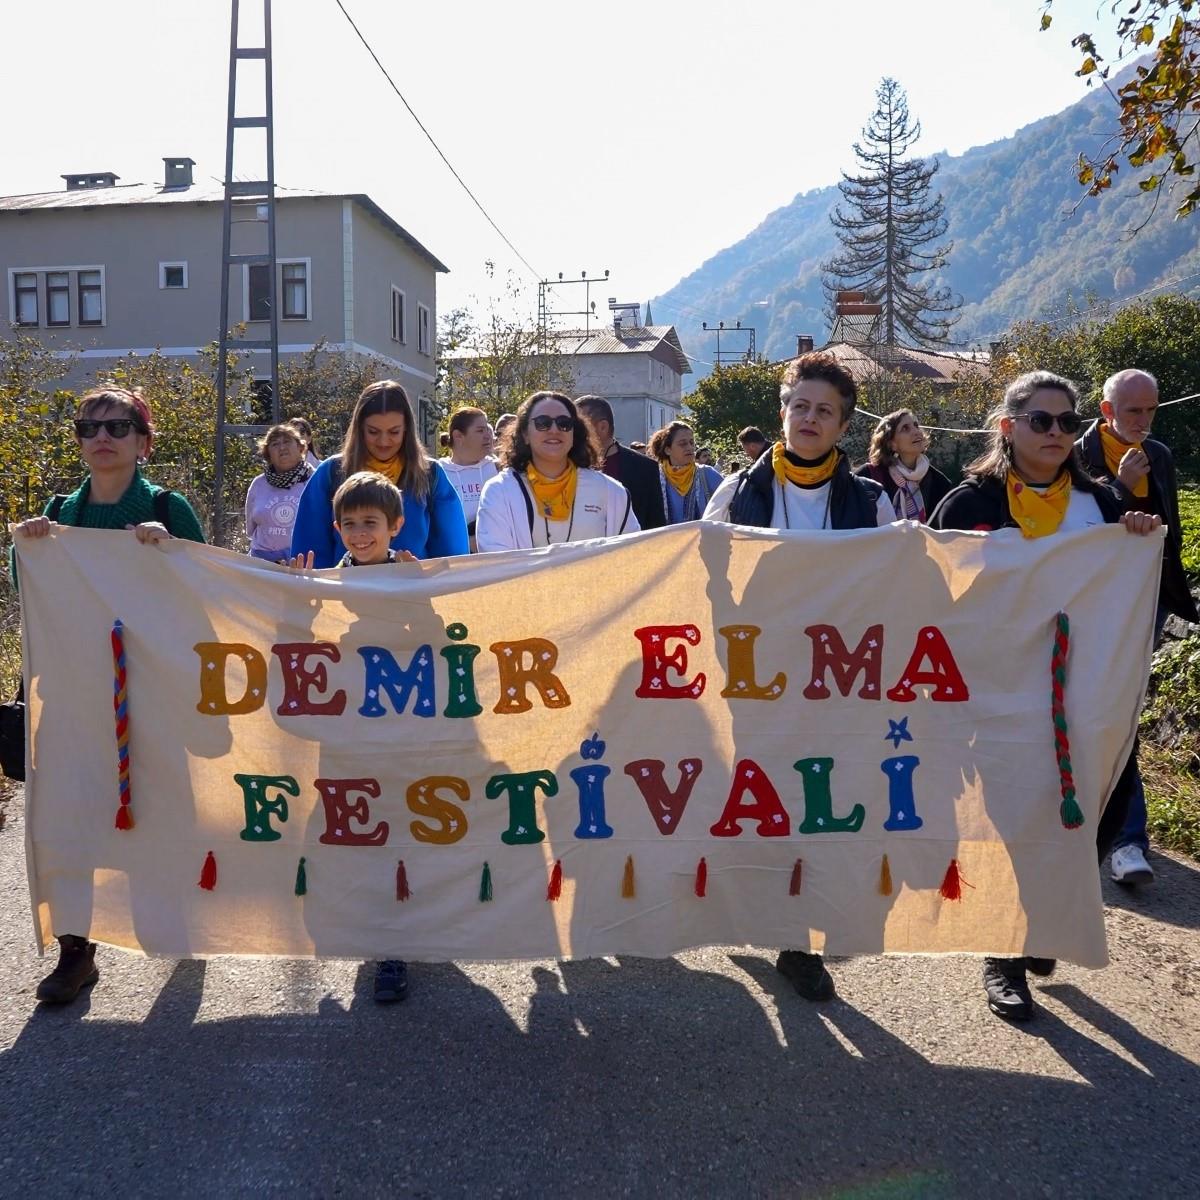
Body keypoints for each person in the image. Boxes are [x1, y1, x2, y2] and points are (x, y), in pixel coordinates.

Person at [930, 369, 1162, 1022]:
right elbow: (935, 590)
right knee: (1014, 827)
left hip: (1086, 695)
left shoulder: (1102, 507)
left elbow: (1127, 584)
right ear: (1008, 428)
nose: (1057, 432)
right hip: (1000, 696)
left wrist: (1138, 534)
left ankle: (1041, 923)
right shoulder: (970, 505)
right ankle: (1003, 957)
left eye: (1068, 421)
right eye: (1041, 420)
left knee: (1094, 818)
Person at [704, 352, 894, 1005]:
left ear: (843, 425)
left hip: (834, 685)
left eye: (825, 410)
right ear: (783, 412)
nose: (810, 418)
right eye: (800, 406)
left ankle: (799, 943)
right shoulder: (737, 493)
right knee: (762, 801)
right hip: (756, 681)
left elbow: (892, 591)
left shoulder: (873, 502)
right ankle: (752, 907)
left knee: (818, 806)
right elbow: (703, 582)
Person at [12, 386, 206, 1005]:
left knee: (160, 804)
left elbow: (207, 588)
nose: (102, 436)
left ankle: (175, 912)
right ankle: (77, 950)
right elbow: (34, 591)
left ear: (143, 443)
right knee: (71, 814)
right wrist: (33, 547)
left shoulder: (171, 509)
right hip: (72, 694)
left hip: (151, 692)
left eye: (119, 427)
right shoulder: (57, 512)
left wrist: (169, 552)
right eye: (89, 426)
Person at [1076, 368, 1198, 886]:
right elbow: (1074, 530)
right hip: (1081, 606)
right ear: (1106, 411)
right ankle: (1075, 829)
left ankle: (1127, 842)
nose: (1143, 421)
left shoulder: (1161, 457)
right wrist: (1119, 489)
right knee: (1078, 715)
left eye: (1150, 410)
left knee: (1122, 715)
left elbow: (1166, 529)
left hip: (1140, 607)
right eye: (1132, 411)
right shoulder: (1076, 454)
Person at [290, 381, 468, 567]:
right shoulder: (331, 473)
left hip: (411, 593)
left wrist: (425, 581)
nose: (384, 441)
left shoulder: (430, 475)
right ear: (360, 429)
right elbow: (309, 553)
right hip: (346, 593)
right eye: (373, 432)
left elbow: (454, 559)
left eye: (394, 432)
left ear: (406, 429)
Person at [476, 392, 640, 551]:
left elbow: (632, 556)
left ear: (574, 434)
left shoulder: (611, 492)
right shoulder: (499, 492)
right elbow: (497, 562)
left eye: (564, 423)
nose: (554, 430)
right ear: (525, 434)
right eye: (542, 422)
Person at [575, 395, 667, 530]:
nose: (572, 432)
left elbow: (655, 528)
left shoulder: (645, 469)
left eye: (578, 426)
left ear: (602, 427)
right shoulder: (568, 466)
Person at [855, 409, 952, 522]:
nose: (916, 431)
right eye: (905, 428)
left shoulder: (940, 483)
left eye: (916, 425)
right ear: (892, 444)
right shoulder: (867, 476)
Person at [244, 423, 313, 561]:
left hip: (303, 563)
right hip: (262, 564)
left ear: (300, 447)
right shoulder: (258, 484)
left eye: (287, 441)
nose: (282, 448)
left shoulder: (315, 480)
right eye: (275, 444)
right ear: (267, 453)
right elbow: (250, 530)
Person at [438, 406, 498, 550]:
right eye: (480, 430)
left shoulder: (498, 468)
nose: (488, 436)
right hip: (456, 559)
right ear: (458, 436)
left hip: (495, 557)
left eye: (488, 430)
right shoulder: (439, 472)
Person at [648, 420, 723, 523]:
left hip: (703, 538)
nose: (689, 447)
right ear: (667, 450)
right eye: (682, 444)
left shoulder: (707, 474)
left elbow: (731, 507)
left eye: (692, 442)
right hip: (666, 539)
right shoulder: (655, 478)